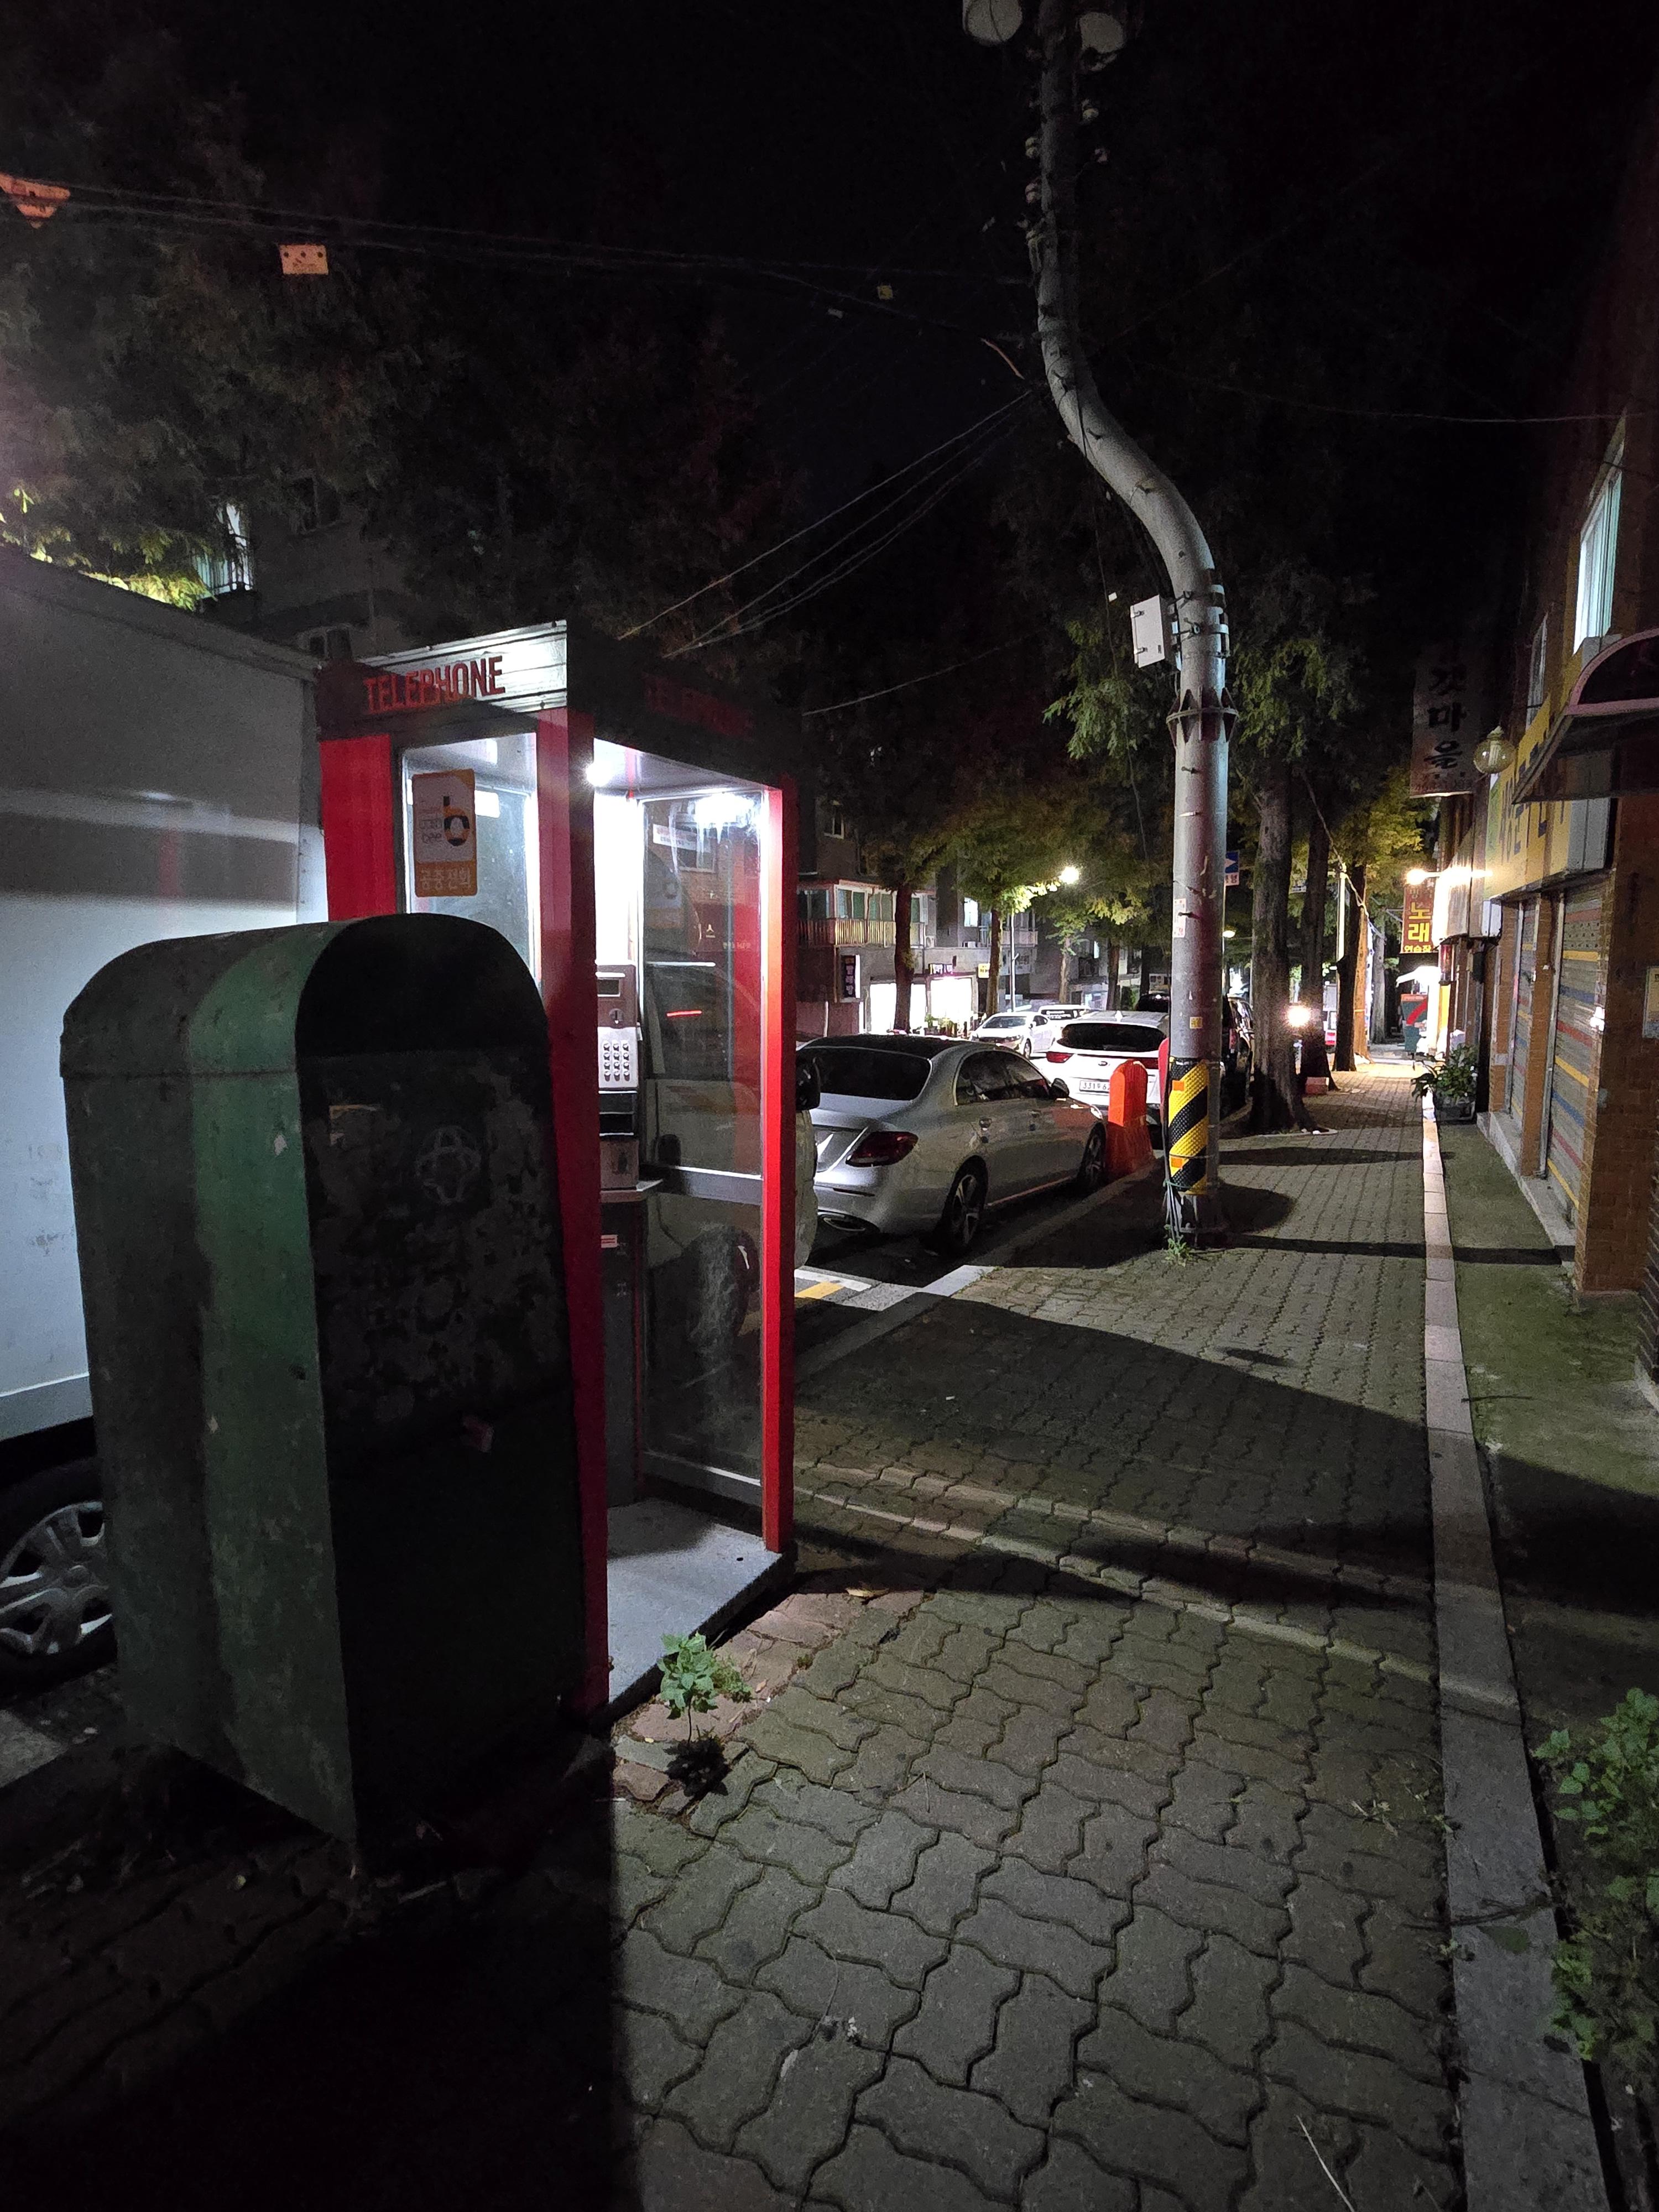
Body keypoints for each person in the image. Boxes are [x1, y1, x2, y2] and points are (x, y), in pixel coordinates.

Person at [1399, 984, 1428, 1058]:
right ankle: (1413, 1051)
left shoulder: (1408, 1003)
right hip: (1415, 1022)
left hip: (1411, 1022)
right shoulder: (1424, 1002)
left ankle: (1411, 1051)